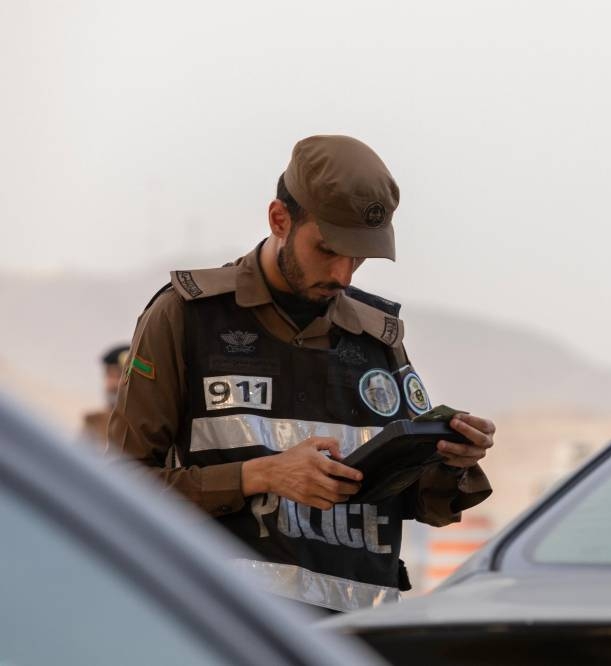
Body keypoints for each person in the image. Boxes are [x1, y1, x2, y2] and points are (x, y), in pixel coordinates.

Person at [108, 135, 495, 613]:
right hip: (225, 625)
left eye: (358, 257)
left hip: (352, 636)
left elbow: (419, 502)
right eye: (328, 250)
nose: (343, 275)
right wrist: (260, 475)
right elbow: (119, 490)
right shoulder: (186, 318)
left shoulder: (378, 338)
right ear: (279, 220)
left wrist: (452, 461)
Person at [81, 343, 130, 444]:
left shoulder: (144, 424)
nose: (114, 384)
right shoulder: (93, 422)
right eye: (110, 375)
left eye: (120, 375)